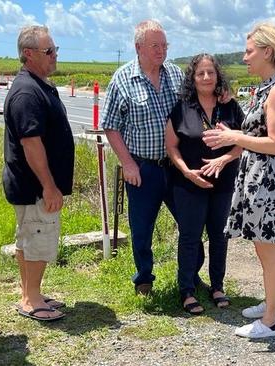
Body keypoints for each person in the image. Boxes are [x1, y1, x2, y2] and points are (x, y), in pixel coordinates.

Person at [203, 22, 275, 338]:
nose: (245, 58)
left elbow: (274, 143)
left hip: (268, 183)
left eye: (249, 51)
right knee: (263, 249)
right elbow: (256, 135)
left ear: (267, 51)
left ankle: (270, 321)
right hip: (258, 179)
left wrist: (233, 135)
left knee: (268, 252)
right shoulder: (267, 87)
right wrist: (229, 138)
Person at [101, 20, 188, 295]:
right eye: (155, 46)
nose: (161, 51)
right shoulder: (123, 79)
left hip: (175, 166)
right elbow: (111, 125)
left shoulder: (175, 75)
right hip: (142, 168)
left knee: (191, 222)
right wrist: (127, 163)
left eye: (164, 45)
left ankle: (189, 277)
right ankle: (144, 280)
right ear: (138, 47)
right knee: (141, 229)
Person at [2, 25, 74, 322]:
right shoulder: (27, 92)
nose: (54, 55)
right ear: (28, 54)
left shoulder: (37, 84)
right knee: (39, 239)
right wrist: (49, 186)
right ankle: (31, 299)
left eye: (54, 49)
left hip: (34, 185)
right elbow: (31, 144)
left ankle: (31, 292)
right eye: (49, 51)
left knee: (29, 239)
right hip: (35, 186)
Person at [165, 54, 244, 315]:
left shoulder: (230, 106)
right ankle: (186, 290)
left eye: (211, 72)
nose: (207, 77)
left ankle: (217, 286)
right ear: (193, 78)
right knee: (190, 237)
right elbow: (171, 147)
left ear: (217, 75)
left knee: (219, 236)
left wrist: (223, 160)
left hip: (223, 183)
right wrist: (187, 172)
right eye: (201, 74)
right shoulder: (181, 108)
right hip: (189, 184)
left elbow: (243, 142)